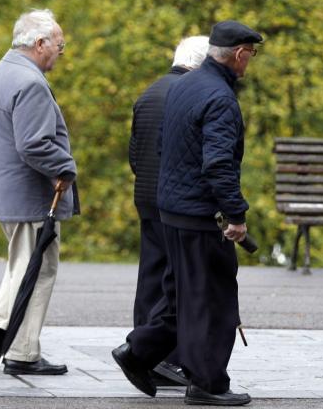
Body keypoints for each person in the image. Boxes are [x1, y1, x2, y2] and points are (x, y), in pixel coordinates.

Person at [112, 20, 262, 407]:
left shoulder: (183, 87)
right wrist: (236, 215)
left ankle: (138, 353)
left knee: (181, 297)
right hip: (199, 216)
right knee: (214, 299)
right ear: (240, 54)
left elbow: (163, 147)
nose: (251, 63)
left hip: (171, 212)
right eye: (252, 54)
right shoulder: (221, 99)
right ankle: (208, 384)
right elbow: (218, 165)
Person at [0, 9, 78, 376]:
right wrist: (65, 167)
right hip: (31, 195)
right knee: (39, 269)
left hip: (8, 192)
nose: (60, 52)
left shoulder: (0, 73)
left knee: (22, 265)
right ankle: (21, 349)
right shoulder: (29, 82)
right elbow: (33, 144)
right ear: (40, 43)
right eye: (59, 45)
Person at [128, 35, 210, 388]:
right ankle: (162, 358)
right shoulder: (188, 95)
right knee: (176, 282)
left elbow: (134, 151)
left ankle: (143, 353)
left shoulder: (149, 92)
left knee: (150, 278)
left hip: (146, 196)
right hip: (174, 203)